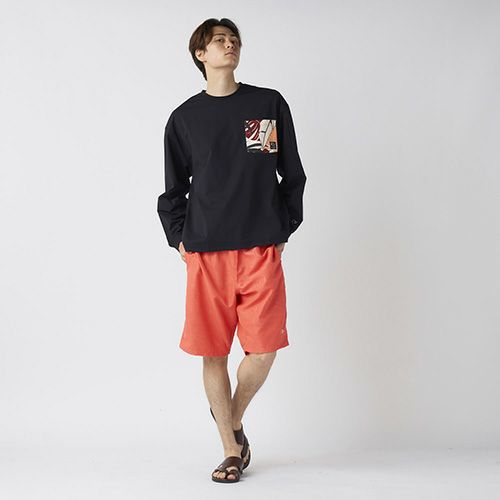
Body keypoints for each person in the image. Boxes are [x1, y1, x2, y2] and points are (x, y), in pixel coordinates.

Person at [157, 17, 307, 483]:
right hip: (206, 254)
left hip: (260, 249)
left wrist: (285, 225)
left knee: (263, 351)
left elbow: (291, 173)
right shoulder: (184, 118)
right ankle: (230, 449)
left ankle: (232, 418)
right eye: (219, 40)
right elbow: (173, 190)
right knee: (214, 353)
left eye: (234, 39)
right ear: (200, 54)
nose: (229, 44)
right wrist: (180, 238)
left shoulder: (266, 104)